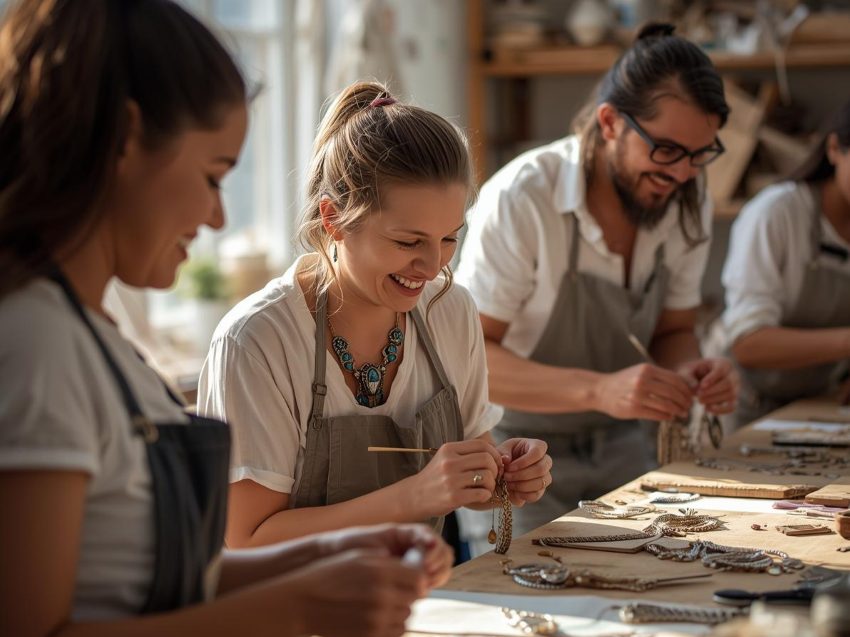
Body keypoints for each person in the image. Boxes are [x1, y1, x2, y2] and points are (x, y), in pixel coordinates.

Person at [0, 2, 452, 636]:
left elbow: (134, 581)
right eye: (213, 177)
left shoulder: (87, 335)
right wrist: (300, 603)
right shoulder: (35, 344)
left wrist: (324, 557)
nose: (217, 217)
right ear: (125, 141)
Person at [197, 81, 553, 549]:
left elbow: (472, 469)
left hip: (419, 599)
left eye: (448, 238)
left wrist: (502, 474)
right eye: (408, 242)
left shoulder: (451, 311)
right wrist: (414, 496)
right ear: (333, 219)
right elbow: (246, 540)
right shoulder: (258, 340)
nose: (432, 267)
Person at [455, 23, 740, 553]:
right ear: (611, 122)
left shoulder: (685, 197)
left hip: (624, 446)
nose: (682, 174)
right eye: (667, 151)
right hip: (520, 458)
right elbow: (471, 363)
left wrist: (686, 372)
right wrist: (600, 390)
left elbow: (674, 329)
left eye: (700, 155)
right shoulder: (525, 199)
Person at [721, 100, 850, 426]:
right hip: (747, 408)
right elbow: (748, 344)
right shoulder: (776, 213)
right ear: (834, 148)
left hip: (820, 407)